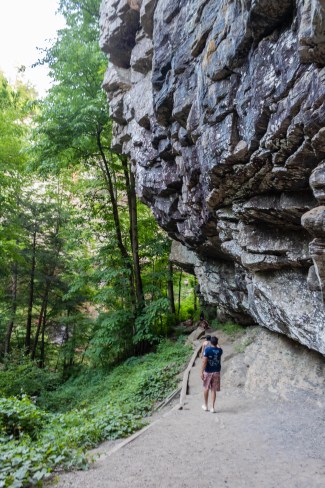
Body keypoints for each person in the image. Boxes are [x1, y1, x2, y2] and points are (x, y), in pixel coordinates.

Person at [201, 336, 223, 413]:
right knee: (213, 390)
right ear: (217, 343)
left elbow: (204, 361)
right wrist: (216, 343)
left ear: (210, 342)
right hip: (216, 372)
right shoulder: (220, 351)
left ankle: (205, 405)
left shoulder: (207, 350)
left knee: (206, 388)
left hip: (208, 371)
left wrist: (201, 372)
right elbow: (219, 347)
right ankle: (212, 407)